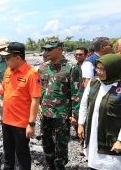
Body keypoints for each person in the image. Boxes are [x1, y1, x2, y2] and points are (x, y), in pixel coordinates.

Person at [0, 42, 41, 170]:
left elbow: (35, 100)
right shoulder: (9, 70)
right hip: (7, 121)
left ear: (18, 58)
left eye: (8, 58)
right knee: (8, 155)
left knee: (22, 155)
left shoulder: (31, 75)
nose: (5, 60)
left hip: (21, 124)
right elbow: (3, 88)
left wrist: (31, 124)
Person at [38, 38, 83, 170]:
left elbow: (77, 93)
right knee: (46, 143)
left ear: (60, 49)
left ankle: (60, 166)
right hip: (45, 113)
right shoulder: (43, 68)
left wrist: (75, 114)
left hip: (62, 114)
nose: (47, 52)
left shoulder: (72, 68)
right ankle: (50, 165)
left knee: (61, 145)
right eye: (45, 49)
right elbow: (39, 89)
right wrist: (38, 106)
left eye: (50, 49)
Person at [78, 54, 121, 170]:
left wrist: (120, 141)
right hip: (93, 132)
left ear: (113, 69)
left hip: (112, 137)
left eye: (103, 69)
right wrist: (81, 124)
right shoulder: (94, 83)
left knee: (111, 164)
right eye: (97, 68)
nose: (99, 72)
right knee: (94, 162)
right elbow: (84, 104)